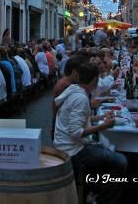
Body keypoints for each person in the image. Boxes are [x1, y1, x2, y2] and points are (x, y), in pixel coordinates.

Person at [54, 62, 127, 204]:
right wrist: (103, 126)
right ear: (94, 80)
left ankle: (93, 189)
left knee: (107, 150)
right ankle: (101, 197)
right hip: (72, 150)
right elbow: (76, 132)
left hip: (67, 143)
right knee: (120, 161)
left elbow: (78, 120)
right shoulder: (80, 98)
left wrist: (100, 117)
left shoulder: (74, 90)